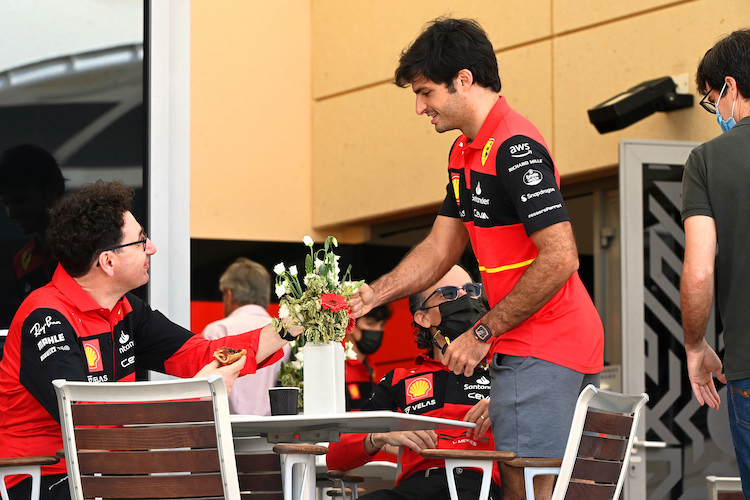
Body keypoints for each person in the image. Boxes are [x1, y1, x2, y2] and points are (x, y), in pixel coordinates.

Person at [348, 18, 603, 500]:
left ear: (463, 79)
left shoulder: (514, 146)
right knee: (522, 484)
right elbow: (441, 248)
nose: (419, 107)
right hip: (527, 344)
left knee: (529, 488)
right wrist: (374, 294)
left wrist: (483, 331)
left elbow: (562, 257)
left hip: (547, 342)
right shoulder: (464, 152)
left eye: (425, 92)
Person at [0, 180, 301, 500]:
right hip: (41, 476)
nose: (152, 248)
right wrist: (196, 394)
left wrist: (293, 325)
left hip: (104, 472)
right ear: (108, 262)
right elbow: (84, 418)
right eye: (141, 241)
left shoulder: (126, 310)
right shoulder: (45, 317)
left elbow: (203, 355)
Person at [327, 265, 501, 500]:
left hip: (478, 488)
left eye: (471, 291)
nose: (464, 300)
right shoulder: (399, 378)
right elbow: (335, 456)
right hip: (416, 488)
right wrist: (379, 437)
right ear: (423, 317)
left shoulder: (505, 372)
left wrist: (505, 405)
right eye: (448, 294)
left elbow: (554, 419)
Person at [680, 29, 750, 498]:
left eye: (711, 101)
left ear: (729, 87)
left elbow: (700, 270)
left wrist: (695, 345)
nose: (716, 113)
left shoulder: (707, 160)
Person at [201, 257, 291, 415]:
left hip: (225, 429)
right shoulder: (285, 332)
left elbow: (203, 390)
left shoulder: (217, 331)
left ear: (229, 294)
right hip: (271, 431)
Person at [0, 144, 65, 326]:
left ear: (51, 190)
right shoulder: (21, 261)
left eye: (21, 200)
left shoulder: (89, 249)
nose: (12, 213)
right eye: (6, 204)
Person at [344, 304, 392, 410]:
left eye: (381, 325)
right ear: (350, 324)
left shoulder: (370, 367)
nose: (378, 330)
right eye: (370, 324)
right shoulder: (335, 364)